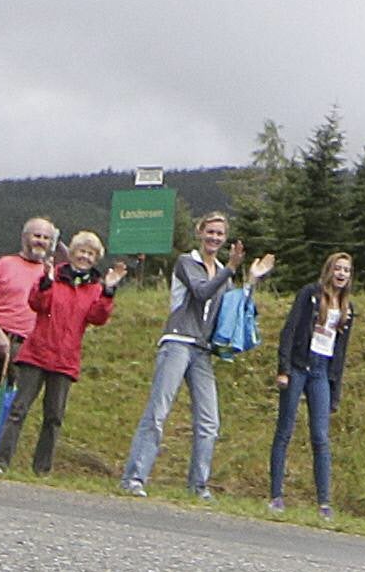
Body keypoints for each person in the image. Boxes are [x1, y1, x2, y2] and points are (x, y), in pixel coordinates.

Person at [118, 214, 276, 500]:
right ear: (200, 233)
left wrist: (251, 280)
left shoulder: (222, 272)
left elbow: (230, 307)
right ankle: (134, 477)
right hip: (177, 341)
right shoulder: (186, 262)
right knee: (158, 411)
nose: (214, 238)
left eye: (220, 234)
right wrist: (230, 268)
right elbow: (202, 292)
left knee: (209, 421)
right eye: (210, 232)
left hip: (201, 349)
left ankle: (198, 486)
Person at [0, 232, 125, 476]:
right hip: (36, 353)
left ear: (96, 259)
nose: (85, 256)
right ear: (72, 252)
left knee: (54, 417)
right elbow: (37, 303)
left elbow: (98, 317)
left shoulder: (95, 287)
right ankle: (0, 461)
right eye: (81, 251)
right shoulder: (54, 276)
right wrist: (45, 281)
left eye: (90, 253)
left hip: (65, 360)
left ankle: (41, 470)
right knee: (18, 409)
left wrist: (108, 292)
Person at [267, 251, 357, 516]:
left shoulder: (347, 308)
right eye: (338, 269)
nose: (342, 274)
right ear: (329, 270)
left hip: (321, 371)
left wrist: (335, 392)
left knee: (320, 436)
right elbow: (290, 329)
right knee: (285, 429)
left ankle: (324, 502)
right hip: (298, 366)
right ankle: (276, 496)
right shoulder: (310, 294)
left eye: (347, 270)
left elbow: (341, 353)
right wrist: (283, 368)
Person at [0, 219, 59, 387]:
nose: (41, 241)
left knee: (13, 402)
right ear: (24, 237)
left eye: (46, 238)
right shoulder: (4, 264)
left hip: (25, 348)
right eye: (37, 235)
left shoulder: (52, 275)